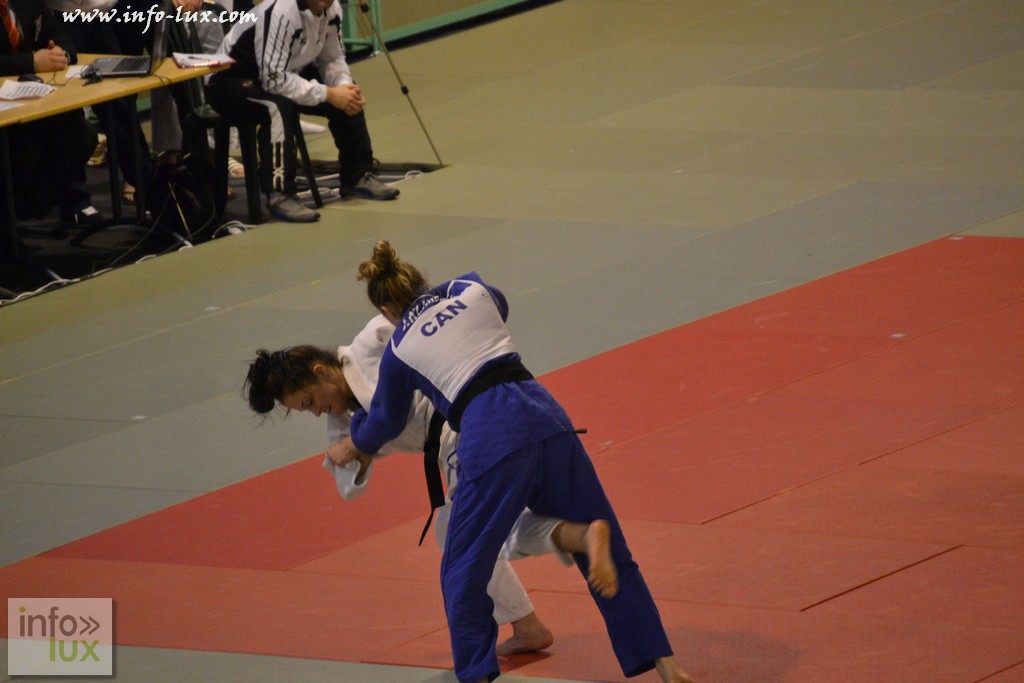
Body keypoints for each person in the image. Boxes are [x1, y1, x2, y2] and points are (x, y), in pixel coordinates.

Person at [331, 241, 695, 683]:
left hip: (491, 433)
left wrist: (353, 440)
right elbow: (497, 304)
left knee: (463, 569)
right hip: (546, 416)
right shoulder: (469, 287)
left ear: (387, 310)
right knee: (612, 546)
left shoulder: (398, 349)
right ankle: (667, 664)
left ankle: (477, 675)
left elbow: (384, 423)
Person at [242, 316, 624, 657]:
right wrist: (359, 452)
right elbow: (349, 490)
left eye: (310, 400)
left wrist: (362, 443)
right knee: (459, 533)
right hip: (455, 447)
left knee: (468, 537)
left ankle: (573, 543)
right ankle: (531, 619)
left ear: (321, 371)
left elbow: (416, 324)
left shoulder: (370, 343)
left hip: (469, 423)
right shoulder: (342, 421)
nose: (316, 411)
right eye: (306, 410)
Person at [205, 0, 398, 223]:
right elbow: (274, 82)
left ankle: (358, 176)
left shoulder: (332, 11)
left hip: (282, 71)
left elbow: (332, 59)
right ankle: (280, 194)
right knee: (277, 107)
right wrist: (328, 94)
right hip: (229, 79)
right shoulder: (282, 12)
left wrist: (342, 87)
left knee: (347, 93)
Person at [0, 0, 102, 229]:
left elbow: (59, 34)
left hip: (25, 99)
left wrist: (61, 53)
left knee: (80, 134)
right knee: (19, 148)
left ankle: (24, 209)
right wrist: (31, 62)